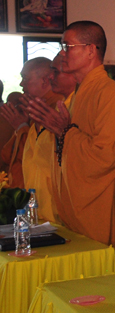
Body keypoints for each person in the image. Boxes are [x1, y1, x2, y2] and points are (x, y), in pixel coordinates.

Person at [24, 21, 115, 271]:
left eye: (67, 46)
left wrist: (64, 132)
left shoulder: (111, 93)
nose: (63, 53)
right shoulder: (78, 96)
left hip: (102, 207)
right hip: (74, 207)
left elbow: (105, 156)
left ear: (90, 50)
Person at [22, 60, 75, 223]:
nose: (21, 84)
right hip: (38, 210)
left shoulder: (65, 110)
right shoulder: (42, 114)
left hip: (59, 211)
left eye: (25, 78)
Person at [0, 59, 59, 188]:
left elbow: (43, 154)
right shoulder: (34, 107)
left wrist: (22, 127)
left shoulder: (55, 108)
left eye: (25, 78)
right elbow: (6, 155)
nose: (21, 84)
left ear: (44, 81)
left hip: (43, 187)